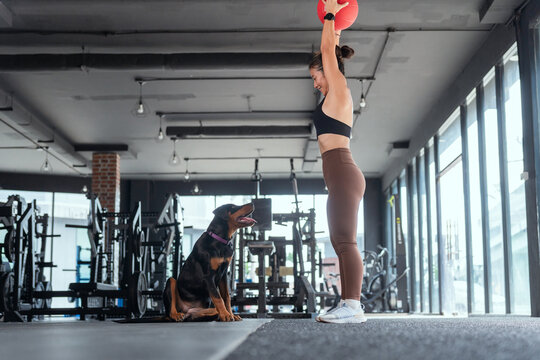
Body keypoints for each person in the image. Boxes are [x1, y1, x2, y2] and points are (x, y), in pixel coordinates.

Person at [309, 0, 366, 323]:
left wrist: (330, 11)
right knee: (339, 239)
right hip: (340, 175)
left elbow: (328, 49)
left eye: (316, 76)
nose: (315, 82)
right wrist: (336, 22)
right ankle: (348, 303)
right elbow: (332, 43)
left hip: (344, 172)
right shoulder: (334, 95)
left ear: (328, 70)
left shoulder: (340, 89)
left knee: (345, 240)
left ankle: (353, 306)